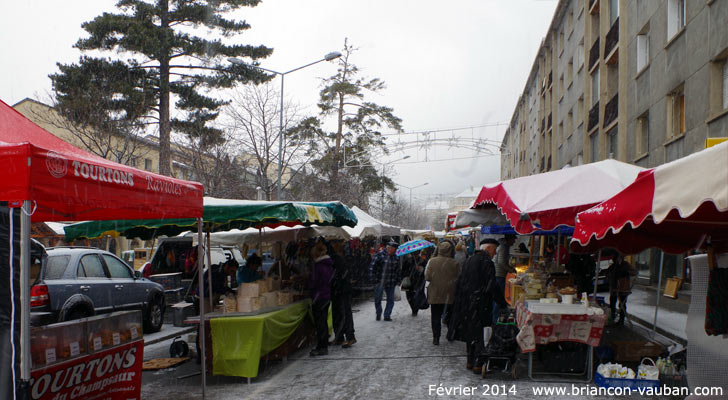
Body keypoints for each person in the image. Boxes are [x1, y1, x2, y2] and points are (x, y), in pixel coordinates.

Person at [447, 238, 507, 374]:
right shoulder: (487, 262)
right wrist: (502, 303)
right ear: (488, 249)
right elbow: (492, 285)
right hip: (480, 303)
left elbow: (460, 281)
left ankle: (470, 361)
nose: (494, 254)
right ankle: (478, 364)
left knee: (470, 333)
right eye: (494, 251)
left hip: (467, 302)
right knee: (480, 334)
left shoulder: (469, 260)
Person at [425, 240, 460, 345]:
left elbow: (428, 277)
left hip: (435, 293)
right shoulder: (455, 263)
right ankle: (450, 334)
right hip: (450, 293)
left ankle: (436, 337)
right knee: (450, 315)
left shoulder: (432, 261)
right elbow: (459, 277)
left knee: (435, 316)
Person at [329, 240, 356, 348]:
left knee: (343, 313)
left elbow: (341, 275)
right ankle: (341, 337)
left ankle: (349, 337)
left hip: (341, 290)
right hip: (340, 289)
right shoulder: (341, 258)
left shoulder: (337, 258)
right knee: (340, 313)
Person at [309, 241, 334, 356]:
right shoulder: (328, 264)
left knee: (320, 323)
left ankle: (322, 347)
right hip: (326, 295)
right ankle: (323, 345)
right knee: (322, 322)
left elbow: (314, 282)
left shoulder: (318, 266)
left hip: (319, 296)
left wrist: (308, 287)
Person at [370, 240, 401, 321]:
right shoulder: (379, 255)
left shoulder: (396, 257)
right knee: (378, 299)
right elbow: (372, 268)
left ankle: (387, 315)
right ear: (388, 248)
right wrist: (373, 279)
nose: (394, 251)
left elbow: (397, 270)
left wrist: (398, 280)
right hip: (379, 281)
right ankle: (378, 313)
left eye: (395, 249)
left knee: (391, 300)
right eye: (393, 249)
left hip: (391, 282)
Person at [607, 253, 637, 326]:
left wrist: (626, 273)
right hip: (614, 288)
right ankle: (611, 318)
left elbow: (635, 272)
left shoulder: (626, 265)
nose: (618, 260)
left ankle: (621, 320)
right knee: (612, 303)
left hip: (623, 288)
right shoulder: (613, 266)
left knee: (622, 304)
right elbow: (607, 274)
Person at [493, 234, 516, 324]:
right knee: (498, 298)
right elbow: (501, 262)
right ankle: (495, 318)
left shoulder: (503, 246)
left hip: (499, 274)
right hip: (499, 275)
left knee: (497, 297)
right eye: (513, 239)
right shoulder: (503, 247)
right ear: (509, 239)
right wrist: (511, 270)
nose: (514, 242)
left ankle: (496, 316)